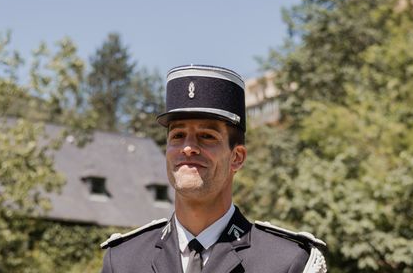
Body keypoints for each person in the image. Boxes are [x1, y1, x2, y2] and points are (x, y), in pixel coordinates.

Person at [100, 64, 327, 273]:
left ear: (237, 157)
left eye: (207, 136)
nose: (188, 148)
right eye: (178, 135)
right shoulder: (123, 261)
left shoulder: (286, 262)